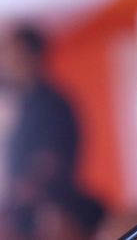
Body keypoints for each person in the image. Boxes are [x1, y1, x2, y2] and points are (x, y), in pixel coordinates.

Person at [0, 24, 98, 238]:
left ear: (30, 56)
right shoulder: (21, 101)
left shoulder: (51, 104)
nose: (5, 63)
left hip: (47, 208)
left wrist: (22, 192)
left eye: (11, 54)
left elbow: (50, 162)